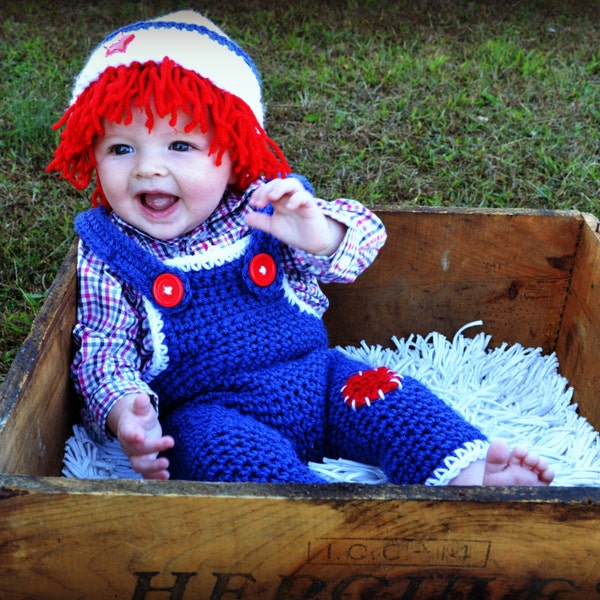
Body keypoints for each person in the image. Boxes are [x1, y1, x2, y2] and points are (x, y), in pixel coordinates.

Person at [48, 10, 554, 487]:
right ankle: (312, 516)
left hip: (321, 380)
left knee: (394, 398)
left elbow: (363, 239)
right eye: (121, 148)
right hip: (212, 411)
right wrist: (125, 409)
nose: (148, 168)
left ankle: (465, 472)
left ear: (233, 153)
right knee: (221, 457)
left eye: (180, 146)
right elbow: (101, 348)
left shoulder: (266, 206)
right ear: (91, 150)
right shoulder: (110, 249)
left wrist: (318, 234)